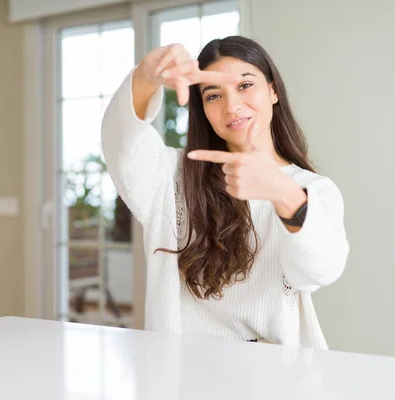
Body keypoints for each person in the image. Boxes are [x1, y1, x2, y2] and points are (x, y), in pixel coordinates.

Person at [101, 35, 349, 350]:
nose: (232, 106)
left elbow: (319, 271)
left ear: (272, 90)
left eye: (245, 86)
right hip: (181, 373)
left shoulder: (312, 189)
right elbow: (122, 141)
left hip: (274, 376)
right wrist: (146, 77)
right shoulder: (173, 176)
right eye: (214, 95)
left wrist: (283, 192)